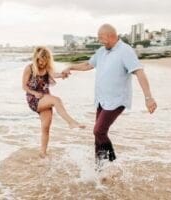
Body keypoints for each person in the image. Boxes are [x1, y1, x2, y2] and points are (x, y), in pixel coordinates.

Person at [62, 24, 157, 166]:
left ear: (112, 36)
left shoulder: (125, 51)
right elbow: (89, 65)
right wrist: (71, 67)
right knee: (98, 135)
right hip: (101, 100)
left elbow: (139, 72)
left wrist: (148, 98)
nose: (100, 41)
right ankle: (100, 168)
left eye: (102, 38)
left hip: (117, 100)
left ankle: (111, 162)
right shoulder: (102, 51)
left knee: (99, 131)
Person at [22, 46, 86, 158]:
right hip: (34, 99)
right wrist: (34, 93)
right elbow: (24, 86)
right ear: (36, 59)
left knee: (46, 128)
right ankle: (71, 122)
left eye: (45, 61)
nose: (42, 63)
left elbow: (55, 75)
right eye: (40, 61)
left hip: (45, 98)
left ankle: (42, 153)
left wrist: (63, 74)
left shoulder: (47, 68)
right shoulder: (29, 68)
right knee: (56, 100)